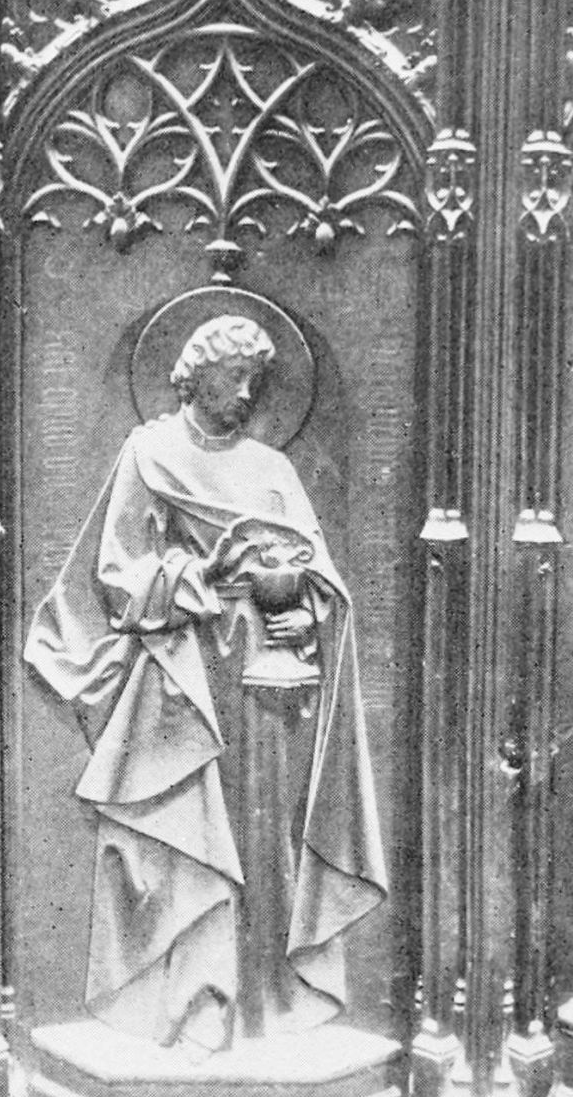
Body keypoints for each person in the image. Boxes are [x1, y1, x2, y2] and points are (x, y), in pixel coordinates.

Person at [26, 315, 386, 1057]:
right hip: (183, 677)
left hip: (265, 680)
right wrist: (201, 576)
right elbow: (116, 576)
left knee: (260, 832)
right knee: (189, 839)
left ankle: (262, 998)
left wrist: (308, 617)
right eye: (235, 378)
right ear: (195, 378)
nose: (248, 394)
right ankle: (194, 1001)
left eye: (257, 381)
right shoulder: (149, 453)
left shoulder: (272, 469)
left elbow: (319, 580)